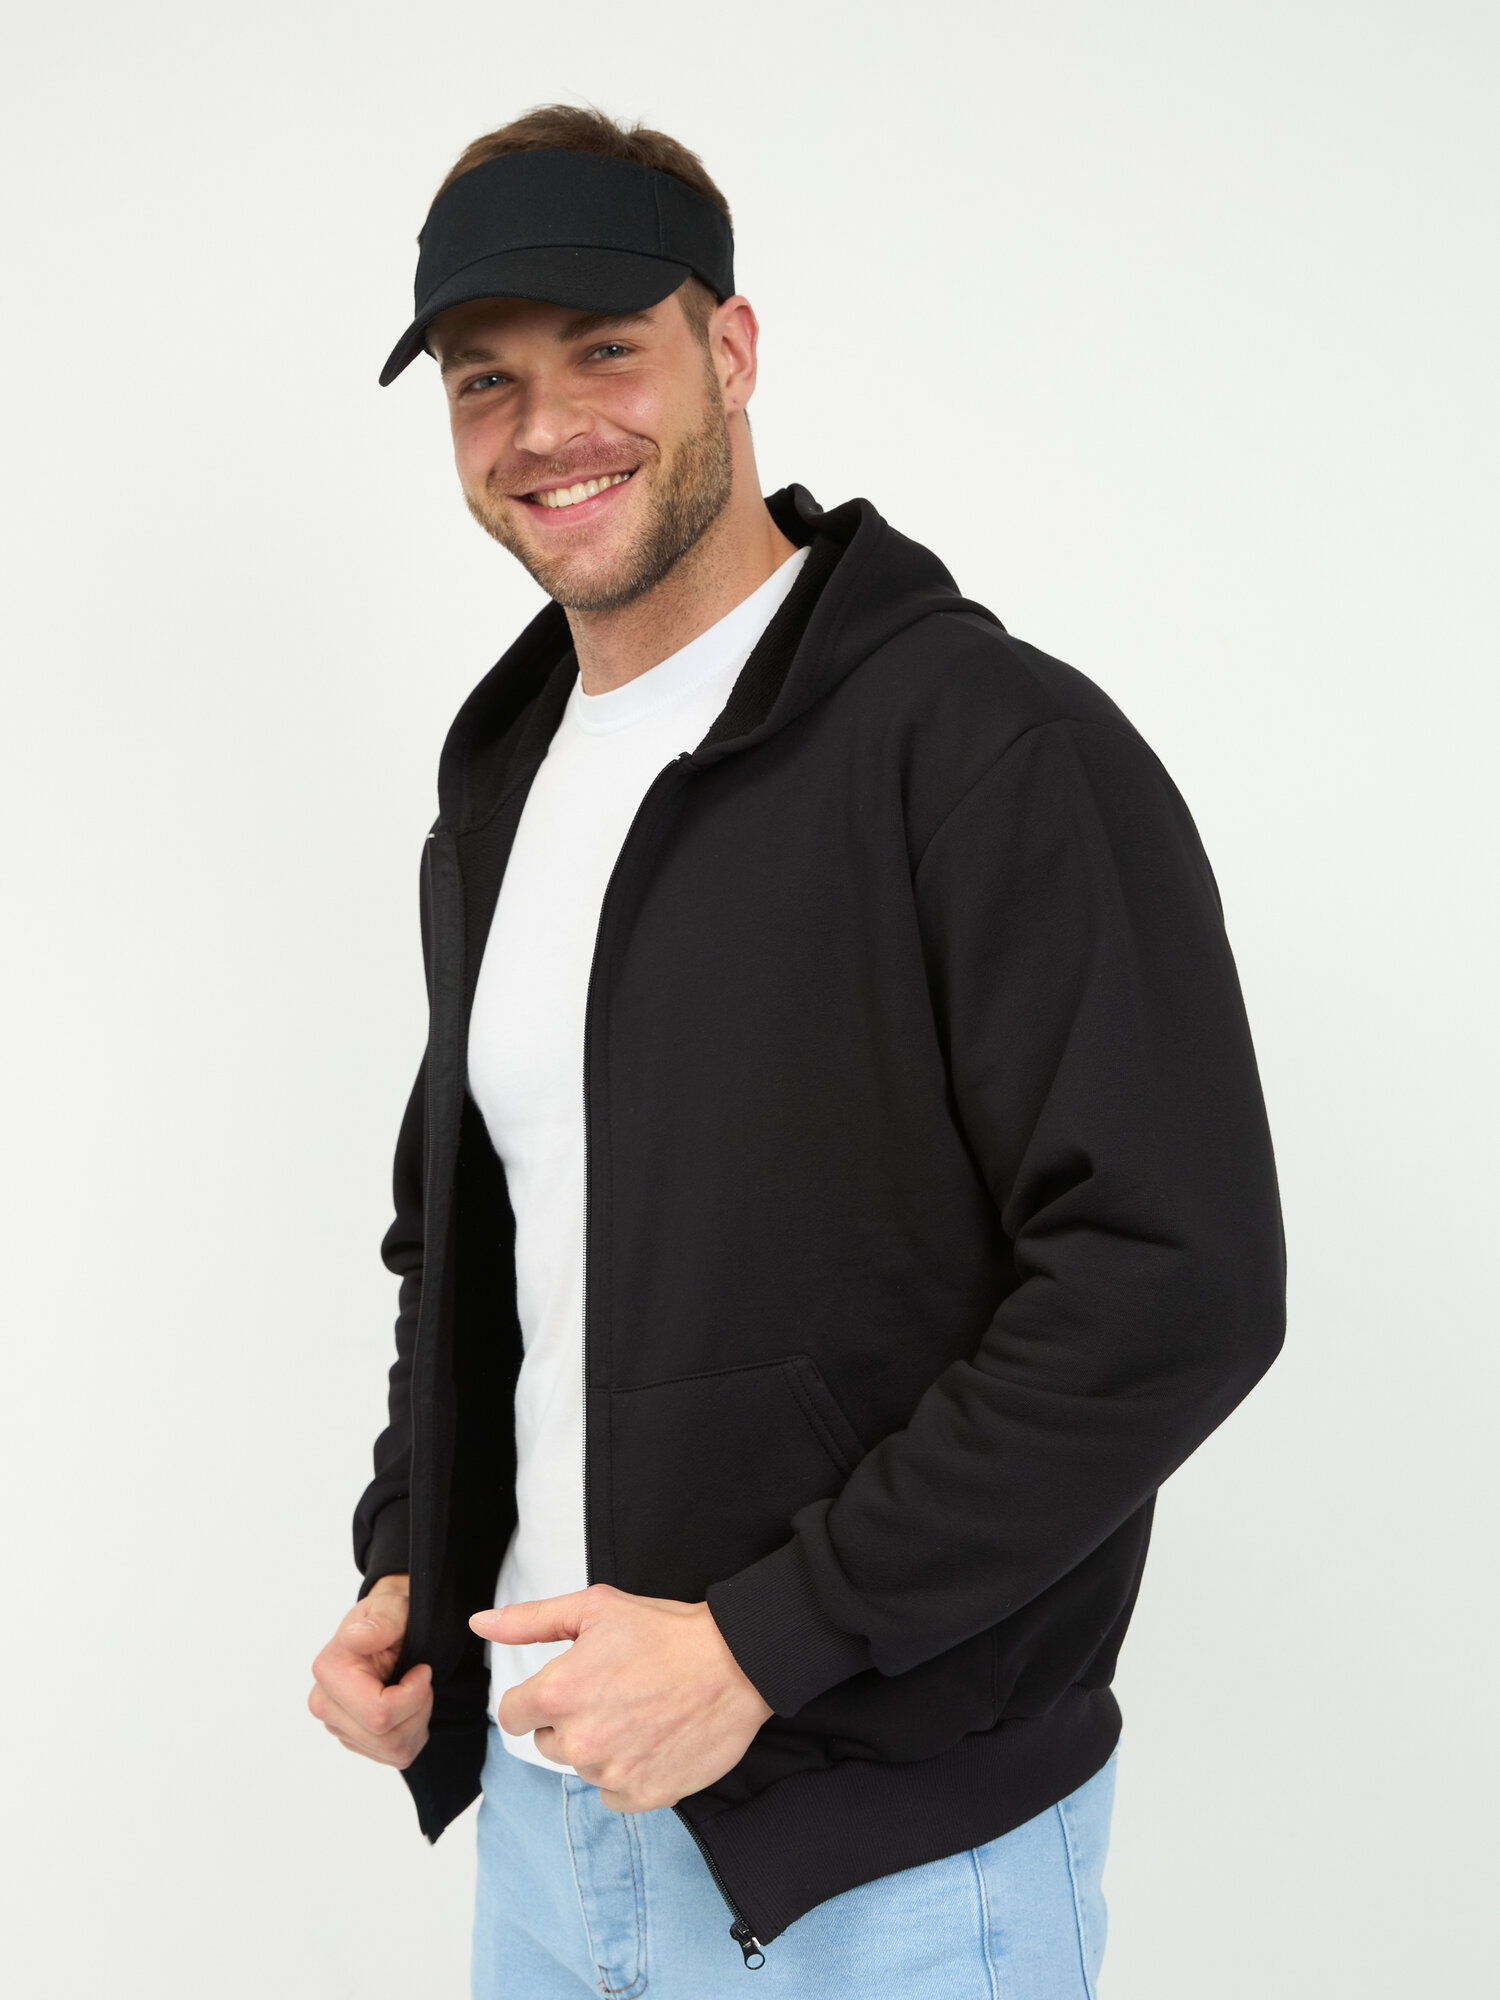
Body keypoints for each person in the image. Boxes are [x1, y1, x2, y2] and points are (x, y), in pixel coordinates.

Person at [307, 104, 1286, 1998]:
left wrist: (769, 1638)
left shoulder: (985, 747)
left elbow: (1175, 1282)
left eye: (607, 350)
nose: (544, 428)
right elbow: (477, 1230)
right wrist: (412, 1558)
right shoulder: (506, 782)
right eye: (484, 379)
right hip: (549, 1817)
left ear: (733, 351)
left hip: (890, 1863)